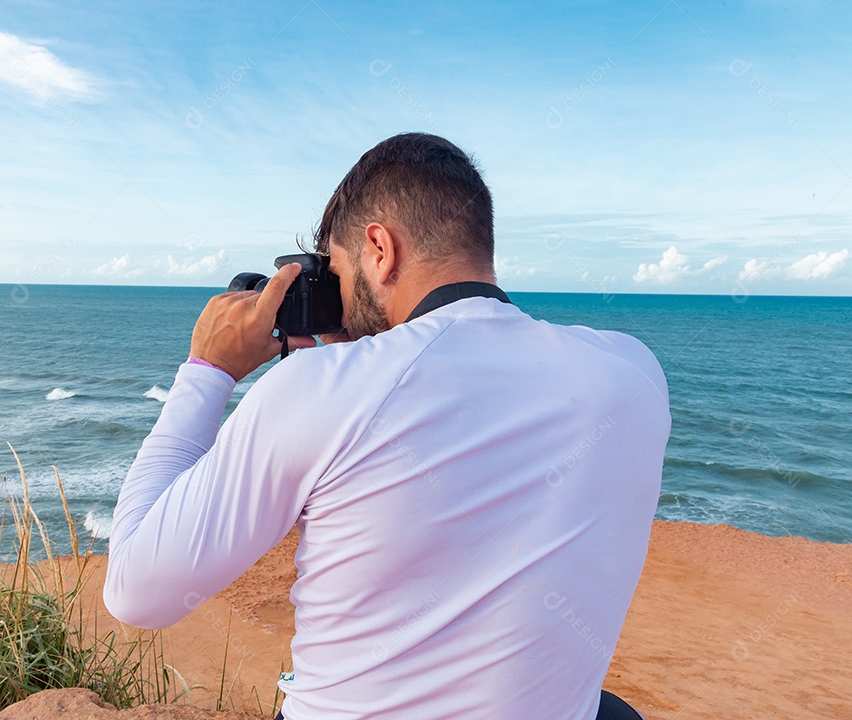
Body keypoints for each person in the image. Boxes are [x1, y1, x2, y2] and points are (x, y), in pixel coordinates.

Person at [104, 133, 670, 720]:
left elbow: (134, 593)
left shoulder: (320, 388)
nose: (340, 303)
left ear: (379, 247)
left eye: (337, 273)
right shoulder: (632, 372)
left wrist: (209, 370)